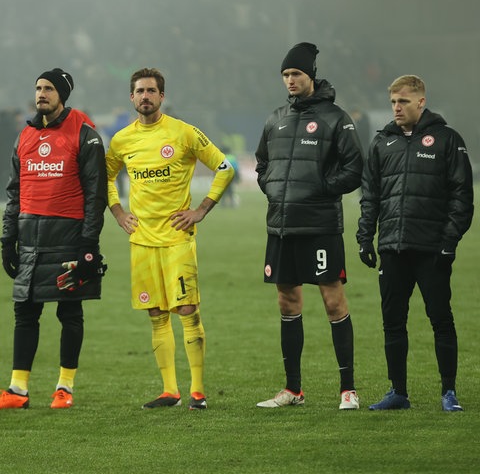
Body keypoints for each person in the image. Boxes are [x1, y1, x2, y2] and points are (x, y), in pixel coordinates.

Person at [105, 68, 234, 410]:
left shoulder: (184, 132)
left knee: (187, 309)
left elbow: (224, 167)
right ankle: (169, 391)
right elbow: (104, 176)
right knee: (156, 313)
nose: (145, 96)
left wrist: (202, 209)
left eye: (151, 90)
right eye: (139, 91)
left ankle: (197, 391)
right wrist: (118, 212)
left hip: (177, 237)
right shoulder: (121, 140)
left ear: (162, 96)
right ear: (131, 98)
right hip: (142, 240)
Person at [255, 42, 364, 409]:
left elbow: (354, 169)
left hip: (320, 226)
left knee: (333, 301)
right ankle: (293, 389)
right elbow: (261, 165)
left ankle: (347, 388)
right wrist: (272, 189)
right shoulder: (275, 118)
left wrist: (320, 190)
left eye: (296, 74)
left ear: (311, 77)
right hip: (281, 227)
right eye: (285, 75)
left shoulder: (336, 118)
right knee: (287, 302)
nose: (290, 80)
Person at [357, 75, 474, 411]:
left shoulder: (447, 140)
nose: (397, 108)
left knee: (441, 318)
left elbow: (462, 197)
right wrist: (366, 238)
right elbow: (371, 196)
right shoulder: (382, 143)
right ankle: (398, 392)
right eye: (393, 101)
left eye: (403, 101)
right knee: (393, 322)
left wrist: (449, 241)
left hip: (432, 250)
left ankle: (449, 392)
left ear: (421, 102)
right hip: (393, 248)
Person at [0, 68, 108, 409]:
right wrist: (7, 239)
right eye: (38, 88)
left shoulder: (85, 134)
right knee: (25, 313)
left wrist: (89, 244)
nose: (41, 94)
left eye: (48, 88)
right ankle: (18, 389)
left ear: (62, 94)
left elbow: (96, 194)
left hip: (69, 238)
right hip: (30, 239)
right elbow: (14, 193)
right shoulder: (25, 136)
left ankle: (65, 387)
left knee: (69, 313)